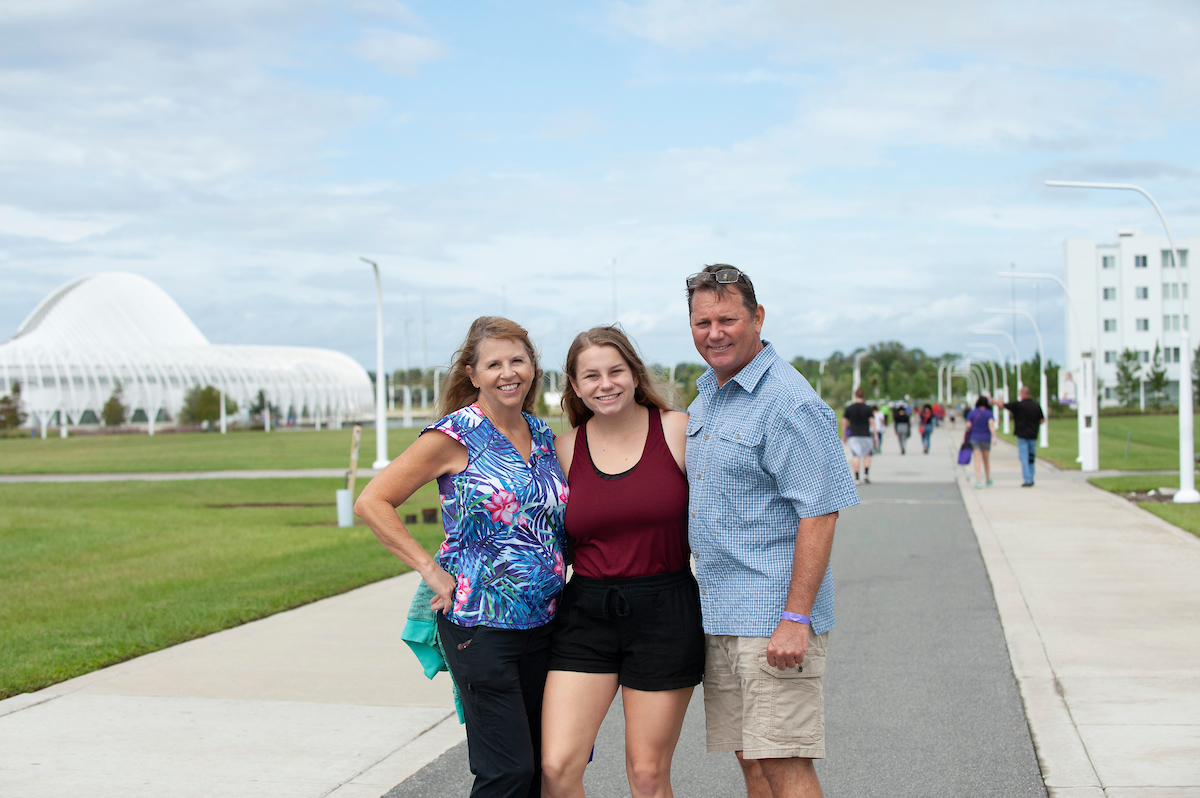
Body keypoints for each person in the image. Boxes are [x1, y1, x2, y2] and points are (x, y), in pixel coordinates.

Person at [355, 317, 567, 798]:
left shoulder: (542, 435)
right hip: (479, 624)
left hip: (545, 623)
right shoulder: (455, 435)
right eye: (494, 363)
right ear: (473, 374)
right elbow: (373, 501)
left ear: (532, 368)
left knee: (538, 768)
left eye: (518, 360)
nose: (507, 372)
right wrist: (430, 570)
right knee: (506, 771)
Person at [684, 264, 859, 798]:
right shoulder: (710, 395)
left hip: (771, 618)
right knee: (753, 761)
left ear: (757, 317)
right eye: (702, 321)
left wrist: (795, 617)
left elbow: (821, 511)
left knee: (784, 761)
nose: (715, 332)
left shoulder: (788, 400)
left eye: (728, 319)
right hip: (724, 613)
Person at [541, 326, 700, 798]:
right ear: (574, 385)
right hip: (585, 614)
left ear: (634, 374)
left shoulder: (678, 430)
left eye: (615, 371)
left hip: (665, 612)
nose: (604, 384)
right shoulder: (564, 450)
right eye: (590, 375)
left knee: (647, 775)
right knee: (556, 767)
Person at [997, 386, 1045, 486]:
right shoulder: (1036, 405)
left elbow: (1003, 405)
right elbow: (1042, 420)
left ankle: (1027, 479)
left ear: (1023, 394)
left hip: (1022, 435)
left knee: (1024, 458)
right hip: (1033, 434)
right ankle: (1031, 477)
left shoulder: (1018, 405)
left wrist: (992, 400)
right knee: (1031, 458)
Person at [842, 388, 875, 483]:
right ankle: (866, 474)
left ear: (855, 396)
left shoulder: (849, 408)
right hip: (866, 434)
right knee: (867, 454)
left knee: (856, 456)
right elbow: (872, 422)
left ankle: (856, 477)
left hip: (854, 435)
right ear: (863, 396)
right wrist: (875, 435)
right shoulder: (868, 408)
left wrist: (844, 435)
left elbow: (844, 422)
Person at [965, 395, 998, 488]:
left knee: (977, 459)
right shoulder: (989, 413)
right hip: (986, 438)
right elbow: (991, 425)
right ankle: (987, 479)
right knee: (986, 459)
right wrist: (994, 436)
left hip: (974, 437)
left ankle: (978, 480)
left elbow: (968, 425)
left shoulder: (972, 413)